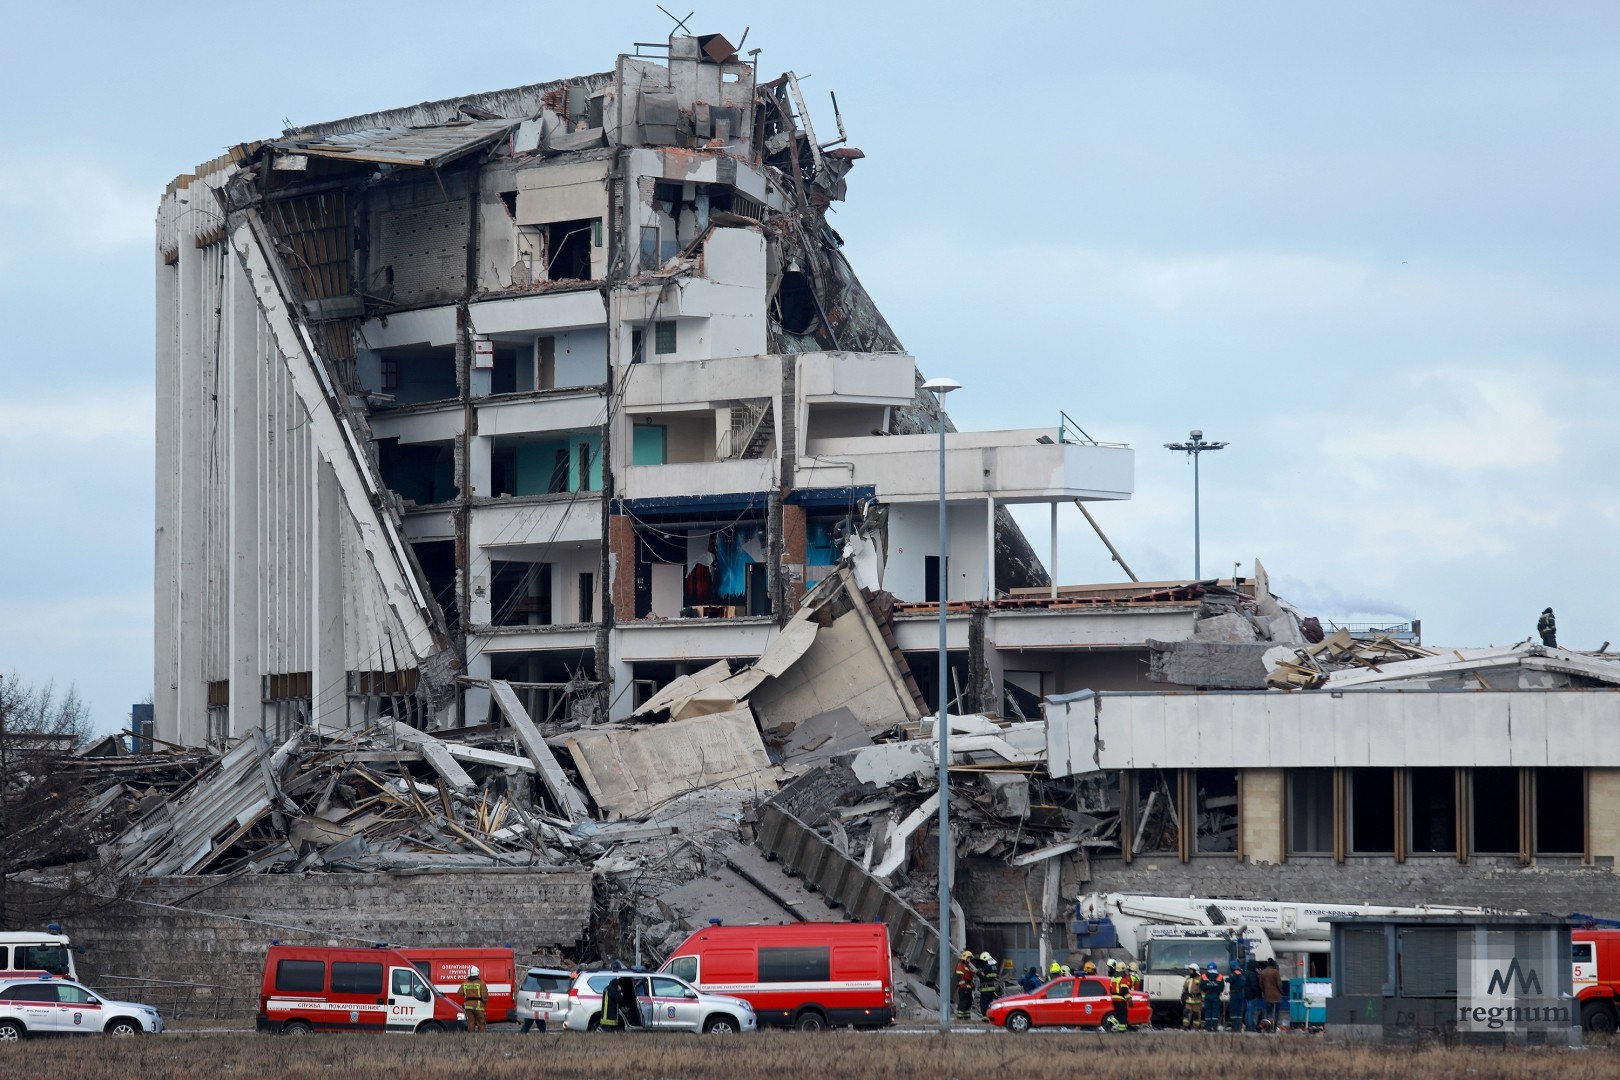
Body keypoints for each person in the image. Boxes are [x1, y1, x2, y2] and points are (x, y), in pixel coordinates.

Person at [1258, 959, 1285, 1032]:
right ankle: (1274, 1027)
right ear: (1273, 965)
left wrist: (1264, 991)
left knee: (1268, 1012)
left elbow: (1260, 984)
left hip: (1267, 996)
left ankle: (1268, 1027)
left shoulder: (1262, 972)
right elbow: (1279, 984)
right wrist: (1281, 992)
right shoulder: (1275, 972)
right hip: (1276, 996)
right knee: (1276, 1012)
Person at [460, 966, 489, 1033]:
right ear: (477, 973)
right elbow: (485, 996)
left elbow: (459, 993)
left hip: (468, 1006)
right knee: (481, 1023)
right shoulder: (481, 983)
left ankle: (471, 1039)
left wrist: (468, 994)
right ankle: (482, 1038)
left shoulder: (465, 983)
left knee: (470, 1023)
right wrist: (484, 1003)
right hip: (478, 1007)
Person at [1103, 959, 1129, 1032]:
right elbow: (1125, 991)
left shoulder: (1113, 978)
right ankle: (1122, 1030)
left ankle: (1108, 1024)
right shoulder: (1122, 979)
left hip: (1114, 999)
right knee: (1122, 1015)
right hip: (1121, 999)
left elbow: (1111, 989)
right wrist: (1129, 1000)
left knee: (1118, 1014)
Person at [1200, 962, 1224, 1031]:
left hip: (1207, 995)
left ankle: (1208, 1027)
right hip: (1216, 995)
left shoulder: (1204, 976)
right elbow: (1222, 987)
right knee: (1215, 1011)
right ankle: (1214, 1027)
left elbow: (1201, 986)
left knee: (1207, 1011)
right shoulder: (1220, 976)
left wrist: (1205, 990)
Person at [954, 951, 977, 1020]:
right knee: (963, 1002)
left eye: (970, 958)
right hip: (964, 988)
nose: (969, 959)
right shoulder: (961, 966)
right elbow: (959, 977)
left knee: (968, 1002)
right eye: (968, 958)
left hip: (968, 987)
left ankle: (966, 1017)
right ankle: (960, 1017)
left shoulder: (967, 966)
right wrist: (964, 986)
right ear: (965, 957)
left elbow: (970, 977)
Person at [1243, 960, 1263, 1032]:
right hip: (1252, 995)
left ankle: (1247, 1025)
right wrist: (1258, 993)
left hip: (1247, 994)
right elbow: (1254, 985)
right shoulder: (1252, 974)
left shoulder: (1246, 973)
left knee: (1248, 1011)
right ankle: (1250, 1026)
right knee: (1252, 1011)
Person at [1180, 964, 1203, 1029]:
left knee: (1196, 1015)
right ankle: (1185, 1026)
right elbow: (1184, 988)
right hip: (1188, 1001)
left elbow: (1203, 990)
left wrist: (1203, 999)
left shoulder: (1200, 979)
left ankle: (1196, 1027)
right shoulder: (1188, 979)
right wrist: (1183, 996)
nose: (1190, 972)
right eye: (1189, 970)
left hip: (1197, 1001)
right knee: (1186, 1014)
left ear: (1196, 971)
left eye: (1191, 970)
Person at [977, 951, 999, 1018]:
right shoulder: (994, 966)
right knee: (990, 1002)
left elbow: (982, 974)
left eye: (982, 960)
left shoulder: (987, 966)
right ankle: (990, 1015)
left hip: (985, 988)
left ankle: (985, 1016)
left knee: (984, 1003)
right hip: (992, 988)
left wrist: (978, 972)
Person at [1227, 962, 1247, 1032]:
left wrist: (1226, 979)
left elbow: (1229, 980)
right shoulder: (1241, 973)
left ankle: (1234, 1027)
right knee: (1239, 1011)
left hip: (1235, 994)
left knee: (1234, 1011)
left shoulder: (1235, 973)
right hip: (1241, 993)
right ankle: (1238, 1027)